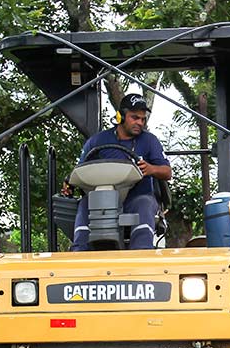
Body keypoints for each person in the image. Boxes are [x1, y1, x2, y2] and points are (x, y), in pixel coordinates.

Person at [72, 94, 172, 250]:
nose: (140, 122)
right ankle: (80, 253)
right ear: (120, 116)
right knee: (85, 203)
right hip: (101, 201)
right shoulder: (97, 141)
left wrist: (151, 168)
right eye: (134, 117)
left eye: (142, 119)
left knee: (145, 203)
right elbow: (80, 170)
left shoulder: (149, 141)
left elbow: (167, 172)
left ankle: (142, 252)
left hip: (136, 199)